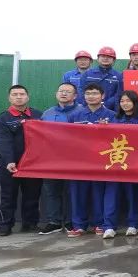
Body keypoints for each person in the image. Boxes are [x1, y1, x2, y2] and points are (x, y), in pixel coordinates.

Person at [67, 84, 117, 237]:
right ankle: (78, 225)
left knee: (98, 192)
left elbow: (117, 137)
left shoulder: (111, 115)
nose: (91, 96)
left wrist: (106, 129)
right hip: (79, 160)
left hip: (102, 160)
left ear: (103, 96)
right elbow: (67, 137)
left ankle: (99, 223)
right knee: (78, 193)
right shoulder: (75, 115)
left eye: (95, 93)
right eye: (88, 93)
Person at [0, 85, 43, 236]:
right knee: (8, 195)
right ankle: (5, 225)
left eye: (22, 94)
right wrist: (9, 161)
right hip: (10, 164)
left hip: (33, 163)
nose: (18, 97)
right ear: (9, 98)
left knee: (32, 195)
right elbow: (4, 141)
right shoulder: (3, 118)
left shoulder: (38, 115)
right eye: (15, 94)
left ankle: (30, 223)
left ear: (27, 97)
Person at [36, 83, 84, 234]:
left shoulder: (82, 112)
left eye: (68, 91)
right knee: (52, 190)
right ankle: (54, 221)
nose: (63, 94)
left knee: (72, 191)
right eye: (61, 91)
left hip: (74, 159)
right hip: (51, 159)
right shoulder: (47, 113)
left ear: (75, 96)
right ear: (56, 94)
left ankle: (71, 221)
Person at [103, 91, 138, 239]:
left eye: (128, 101)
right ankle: (109, 226)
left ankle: (133, 224)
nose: (125, 104)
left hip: (133, 163)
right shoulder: (114, 119)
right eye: (122, 101)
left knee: (132, 195)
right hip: (115, 163)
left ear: (135, 102)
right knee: (111, 195)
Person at [82, 46, 123, 111]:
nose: (106, 58)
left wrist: (107, 104)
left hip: (110, 110)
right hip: (89, 109)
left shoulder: (118, 76)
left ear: (114, 60)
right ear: (98, 58)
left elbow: (118, 94)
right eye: (103, 56)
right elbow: (81, 90)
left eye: (109, 57)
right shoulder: (87, 74)